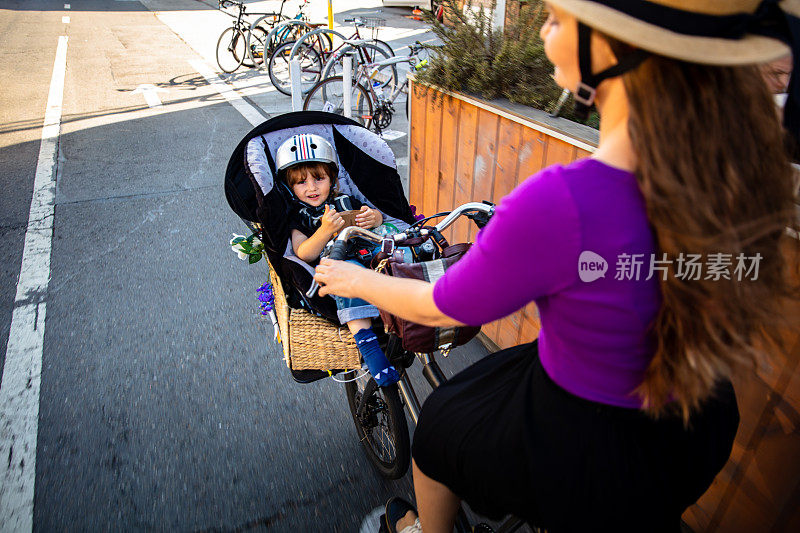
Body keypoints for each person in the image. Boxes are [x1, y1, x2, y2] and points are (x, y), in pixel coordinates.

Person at [314, 1, 800, 532]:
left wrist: (355, 278)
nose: (544, 28)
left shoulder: (561, 202)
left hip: (585, 439)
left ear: (614, 47)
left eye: (558, 16)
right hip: (696, 426)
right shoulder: (739, 178)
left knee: (436, 433)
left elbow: (441, 304)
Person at [277, 133, 400, 387]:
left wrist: (374, 218)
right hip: (339, 266)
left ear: (332, 179)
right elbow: (303, 252)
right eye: (301, 183)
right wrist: (323, 231)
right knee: (347, 276)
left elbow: (375, 216)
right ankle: (368, 346)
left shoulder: (346, 201)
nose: (311, 188)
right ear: (290, 188)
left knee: (400, 253)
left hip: (371, 254)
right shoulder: (298, 218)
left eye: (319, 179)